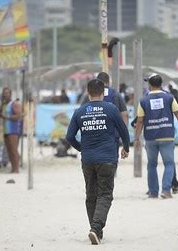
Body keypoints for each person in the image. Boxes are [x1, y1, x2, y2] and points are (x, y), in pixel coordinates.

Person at [66, 79, 130, 245]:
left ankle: (95, 231)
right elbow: (123, 130)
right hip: (107, 158)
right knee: (105, 194)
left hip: (87, 159)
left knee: (91, 195)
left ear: (88, 93)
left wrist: (81, 148)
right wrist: (126, 148)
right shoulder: (111, 108)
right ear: (102, 93)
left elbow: (69, 137)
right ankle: (95, 229)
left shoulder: (80, 111)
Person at [135, 73, 178, 199]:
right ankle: (166, 190)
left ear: (149, 85)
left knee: (151, 165)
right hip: (167, 136)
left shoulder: (143, 100)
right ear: (160, 84)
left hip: (151, 137)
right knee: (169, 164)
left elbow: (140, 121)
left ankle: (153, 192)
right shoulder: (169, 98)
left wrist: (137, 138)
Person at [0, 88, 22, 173]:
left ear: (10, 94)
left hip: (13, 130)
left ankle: (16, 169)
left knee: (14, 150)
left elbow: (18, 116)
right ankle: (13, 168)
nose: (5, 95)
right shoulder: (4, 104)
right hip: (6, 130)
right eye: (4, 93)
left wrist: (7, 117)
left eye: (7, 93)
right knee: (9, 150)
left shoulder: (14, 104)